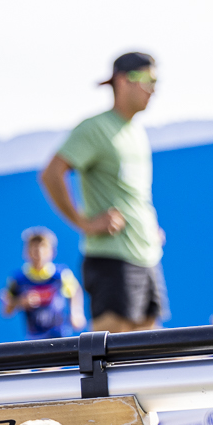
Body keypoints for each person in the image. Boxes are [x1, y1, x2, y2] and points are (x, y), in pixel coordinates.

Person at [37, 51, 165, 332]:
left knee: (151, 350)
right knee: (114, 355)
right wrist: (84, 223)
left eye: (156, 81)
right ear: (122, 81)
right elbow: (51, 174)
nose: (153, 89)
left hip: (147, 257)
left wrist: (149, 226)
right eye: (147, 79)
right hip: (112, 259)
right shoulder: (94, 128)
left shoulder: (137, 132)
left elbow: (133, 195)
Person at [1, 227, 85, 340]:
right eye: (33, 247)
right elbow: (6, 310)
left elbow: (75, 291)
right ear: (26, 252)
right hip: (34, 338)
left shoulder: (60, 275)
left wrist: (76, 312)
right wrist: (21, 302)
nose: (38, 252)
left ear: (52, 252)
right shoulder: (18, 279)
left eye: (43, 247)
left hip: (59, 335)